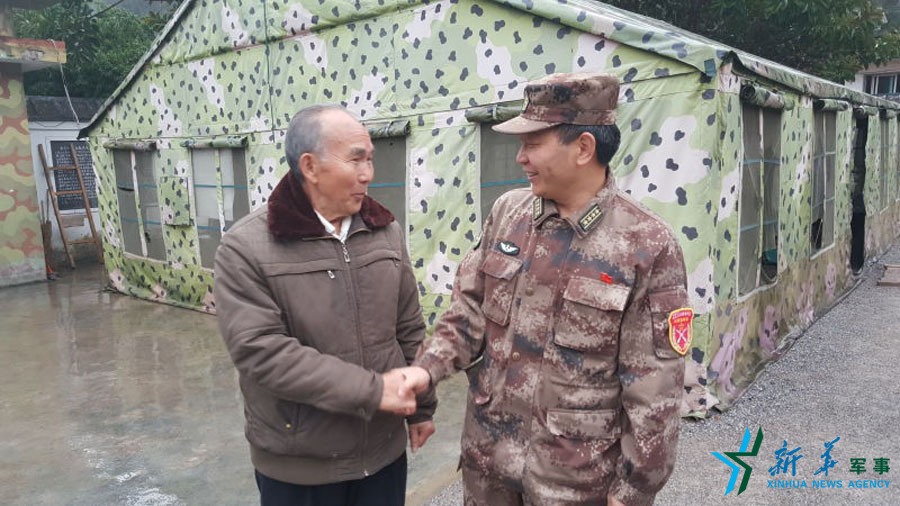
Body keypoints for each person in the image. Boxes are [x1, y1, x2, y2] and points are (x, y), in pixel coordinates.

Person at [400, 72, 691, 506]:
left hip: (574, 482)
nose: (521, 158)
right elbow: (469, 312)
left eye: (533, 144)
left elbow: (654, 388)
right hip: (488, 466)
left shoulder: (646, 243)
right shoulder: (508, 213)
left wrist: (632, 490)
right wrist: (426, 370)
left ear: (584, 148)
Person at [214, 105, 435, 506]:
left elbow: (408, 327)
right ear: (310, 167)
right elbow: (263, 353)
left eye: (370, 159)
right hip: (301, 466)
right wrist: (373, 391)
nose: (368, 174)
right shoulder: (246, 247)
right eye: (356, 160)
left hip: (383, 456)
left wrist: (421, 408)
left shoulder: (385, 231)